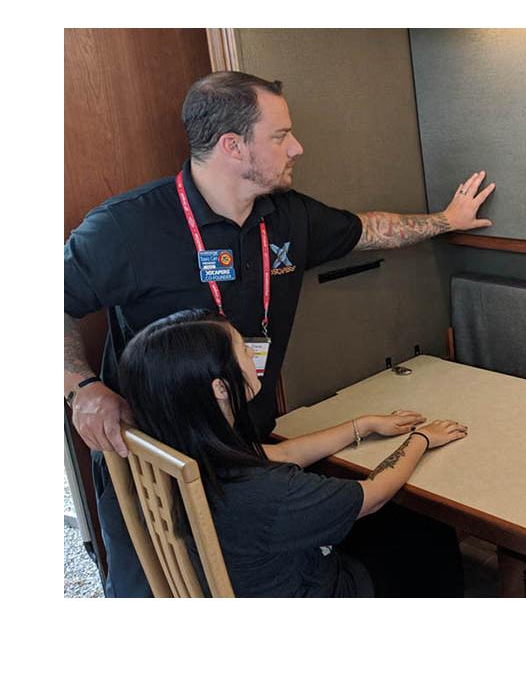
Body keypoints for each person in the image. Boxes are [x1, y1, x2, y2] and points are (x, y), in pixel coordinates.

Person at [64, 70, 496, 596]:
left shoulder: (286, 216)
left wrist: (445, 221)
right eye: (279, 135)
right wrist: (83, 388)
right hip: (150, 463)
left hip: (244, 455)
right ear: (232, 146)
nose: (297, 146)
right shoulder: (126, 227)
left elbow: (368, 230)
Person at [119, 309, 467, 597]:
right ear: (220, 388)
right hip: (317, 588)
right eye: (243, 350)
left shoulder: (185, 454)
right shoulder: (264, 492)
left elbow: (283, 452)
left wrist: (362, 424)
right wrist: (421, 439)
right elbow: (374, 496)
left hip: (258, 577)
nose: (253, 358)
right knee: (429, 530)